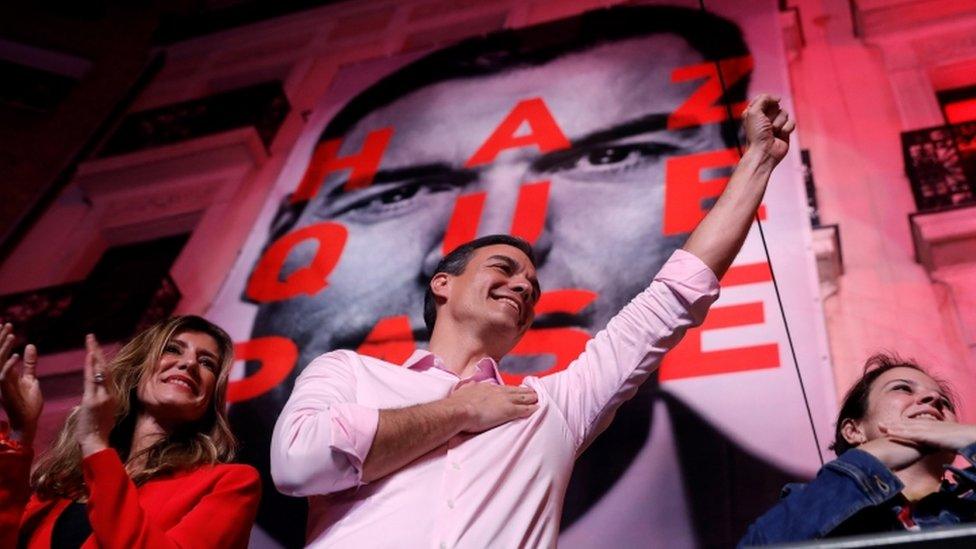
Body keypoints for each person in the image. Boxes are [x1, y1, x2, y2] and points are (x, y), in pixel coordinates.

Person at [233, 7, 799, 546]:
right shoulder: (348, 374)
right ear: (443, 284)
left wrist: (756, 162)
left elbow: (680, 289)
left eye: (608, 158)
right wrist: (461, 410)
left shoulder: (555, 405)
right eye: (405, 191)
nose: (525, 284)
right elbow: (300, 462)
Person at [0, 316, 260, 548]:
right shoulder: (65, 483)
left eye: (207, 363)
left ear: (210, 399)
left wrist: (95, 444)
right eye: (172, 349)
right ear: (137, 370)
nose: (189, 363)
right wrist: (22, 434)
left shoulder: (231, 484)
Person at [740, 354, 976, 545]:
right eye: (902, 388)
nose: (933, 397)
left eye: (944, 402)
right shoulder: (814, 504)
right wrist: (872, 457)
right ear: (854, 431)